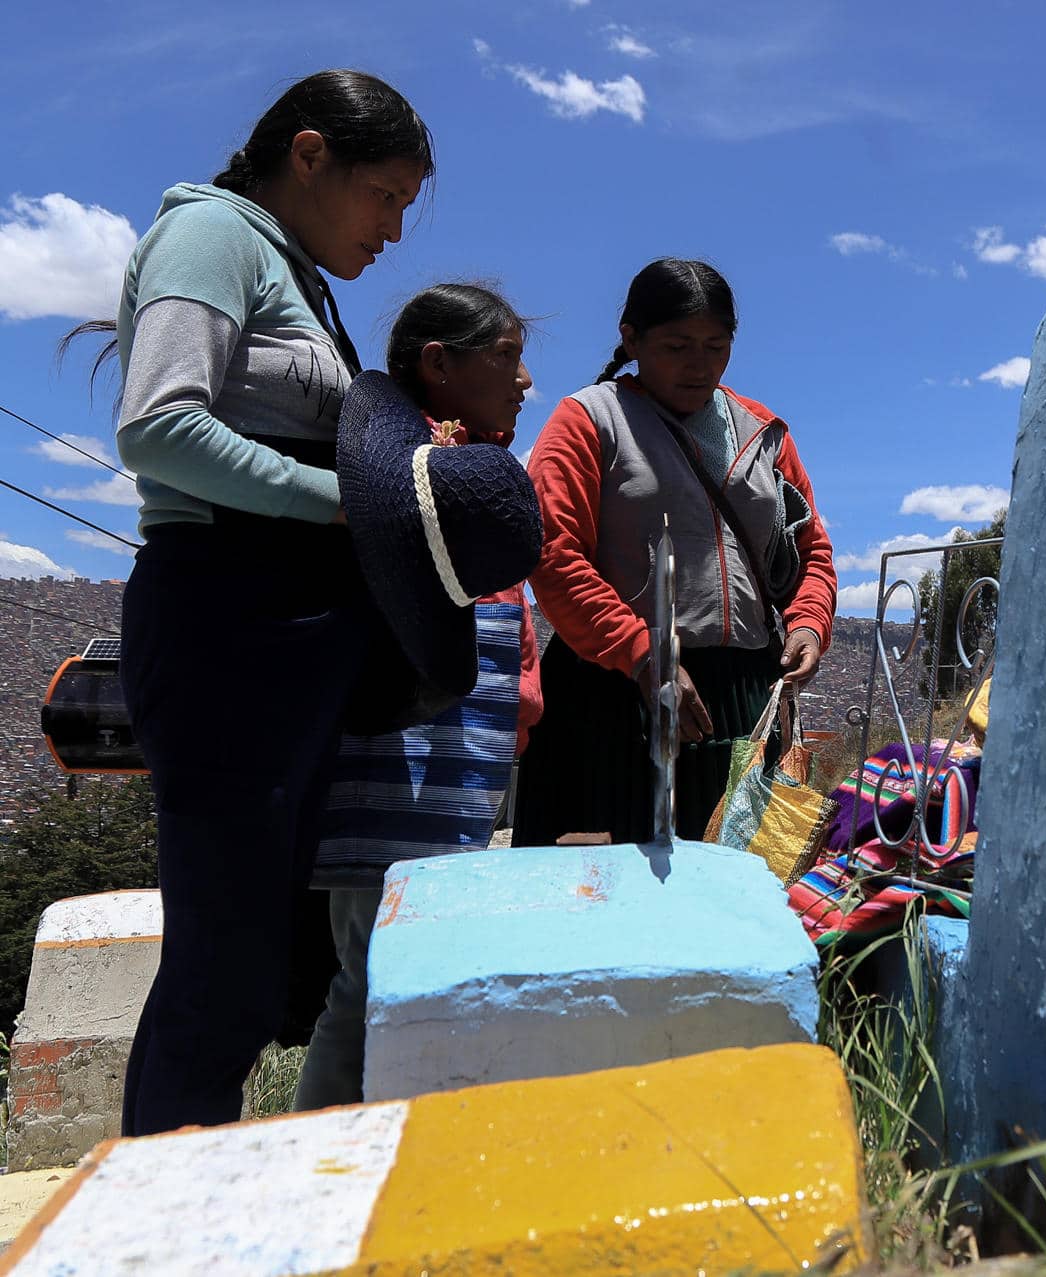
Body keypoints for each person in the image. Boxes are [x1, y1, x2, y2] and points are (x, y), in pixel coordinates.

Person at [110, 70, 433, 1135]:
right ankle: (151, 1221)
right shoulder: (212, 237)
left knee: (251, 969)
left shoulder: (295, 275)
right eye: (384, 194)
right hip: (229, 626)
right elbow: (158, 426)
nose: (393, 228)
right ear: (308, 155)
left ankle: (179, 1192)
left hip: (285, 647)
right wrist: (343, 504)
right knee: (223, 971)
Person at [293, 284, 544, 1111]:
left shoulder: (463, 478)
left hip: (447, 766)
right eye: (505, 357)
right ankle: (320, 1155)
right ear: (440, 364)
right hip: (394, 762)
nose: (524, 380)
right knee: (370, 973)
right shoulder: (396, 492)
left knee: (402, 971)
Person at [515, 258, 837, 845]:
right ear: (631, 339)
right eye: (678, 345)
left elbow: (810, 549)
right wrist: (643, 654)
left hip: (743, 699)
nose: (700, 365)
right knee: (609, 890)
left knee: (734, 889)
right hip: (613, 696)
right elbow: (553, 553)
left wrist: (811, 624)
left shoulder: (763, 433)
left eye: (717, 346)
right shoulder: (588, 421)